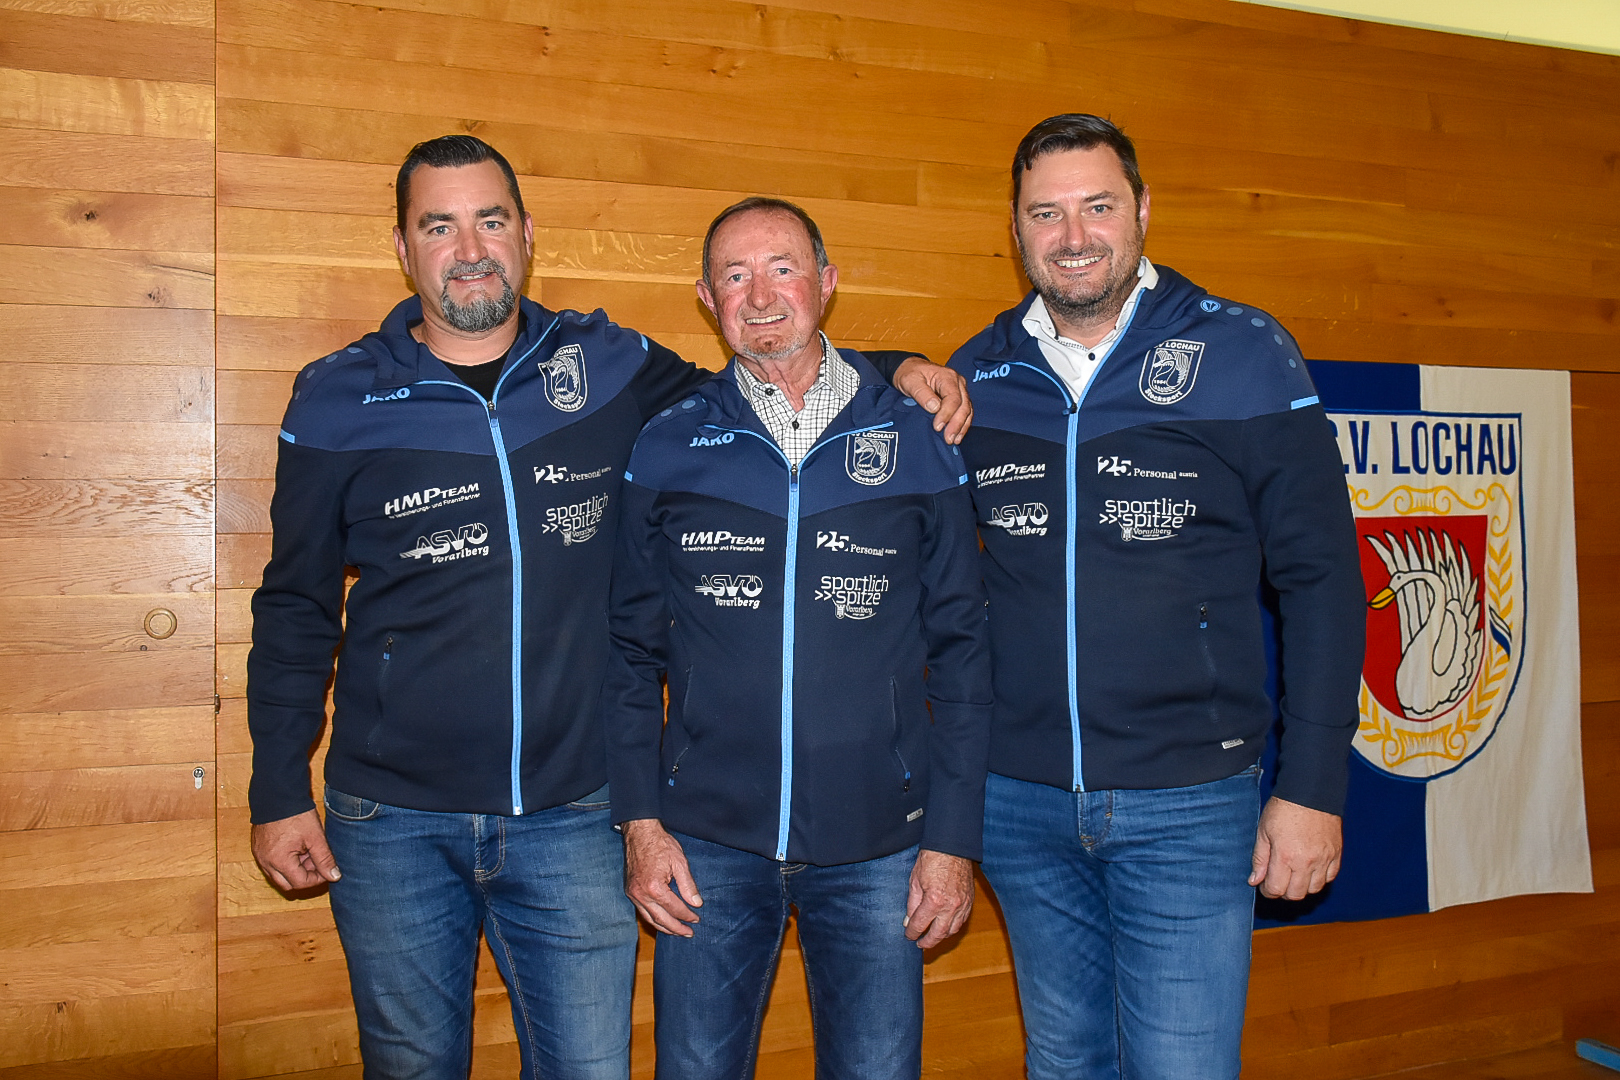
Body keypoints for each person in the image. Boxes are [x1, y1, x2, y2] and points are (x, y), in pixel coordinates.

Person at [245, 136, 971, 1080]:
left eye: (490, 221)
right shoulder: (337, 396)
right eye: (439, 226)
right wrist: (277, 790)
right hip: (392, 820)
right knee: (411, 1065)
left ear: (526, 234)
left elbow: (763, 384)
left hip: (574, 816)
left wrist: (897, 369)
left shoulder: (606, 364)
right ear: (402, 247)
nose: (470, 249)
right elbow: (296, 605)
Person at [946, 114, 1365, 1079]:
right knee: (1065, 1062)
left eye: (1097, 206)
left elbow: (1322, 579)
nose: (1073, 236)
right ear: (1015, 230)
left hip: (1190, 805)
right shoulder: (977, 374)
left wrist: (1311, 786)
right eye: (1045, 213)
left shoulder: (1244, 351)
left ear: (1141, 210)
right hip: (1019, 803)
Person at [602, 197, 993, 1080]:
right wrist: (640, 825)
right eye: (734, 276)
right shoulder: (667, 443)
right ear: (706, 298)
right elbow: (627, 650)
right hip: (703, 845)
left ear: (826, 281)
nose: (760, 295)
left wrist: (951, 841)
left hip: (881, 846)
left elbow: (965, 653)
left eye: (783, 268)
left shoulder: (917, 437)